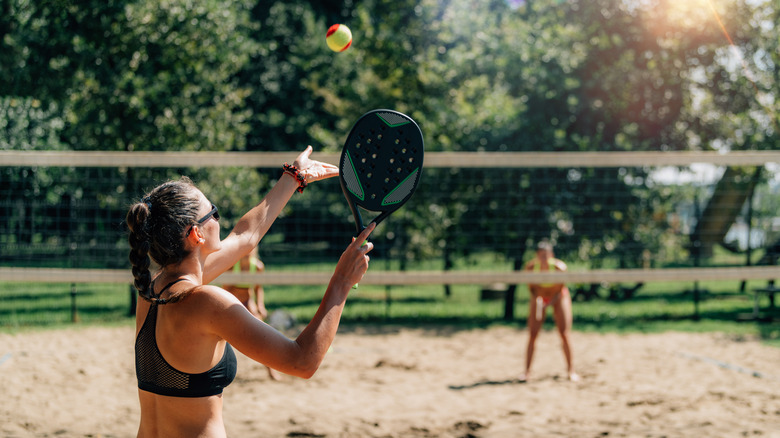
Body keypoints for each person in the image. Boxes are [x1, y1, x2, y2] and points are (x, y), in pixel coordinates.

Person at [126, 146, 376, 437]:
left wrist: (293, 177)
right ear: (196, 234)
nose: (220, 221)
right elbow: (302, 362)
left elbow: (246, 236)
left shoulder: (153, 291)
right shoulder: (207, 302)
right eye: (214, 214)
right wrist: (342, 282)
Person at [520, 239, 579, 382]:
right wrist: (540, 302)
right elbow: (532, 289)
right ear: (536, 255)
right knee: (533, 333)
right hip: (539, 298)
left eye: (546, 255)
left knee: (564, 333)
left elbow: (560, 290)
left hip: (558, 298)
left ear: (551, 255)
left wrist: (550, 303)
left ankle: (571, 370)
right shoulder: (531, 268)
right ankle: (527, 372)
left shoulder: (559, 268)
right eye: (540, 255)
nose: (543, 258)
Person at [223, 247, 283, 381]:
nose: (248, 251)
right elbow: (225, 291)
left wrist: (260, 305)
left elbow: (258, 289)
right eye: (247, 248)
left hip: (247, 301)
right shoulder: (232, 266)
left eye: (252, 248)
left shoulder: (257, 266)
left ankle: (271, 371)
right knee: (221, 335)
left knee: (262, 335)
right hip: (232, 301)